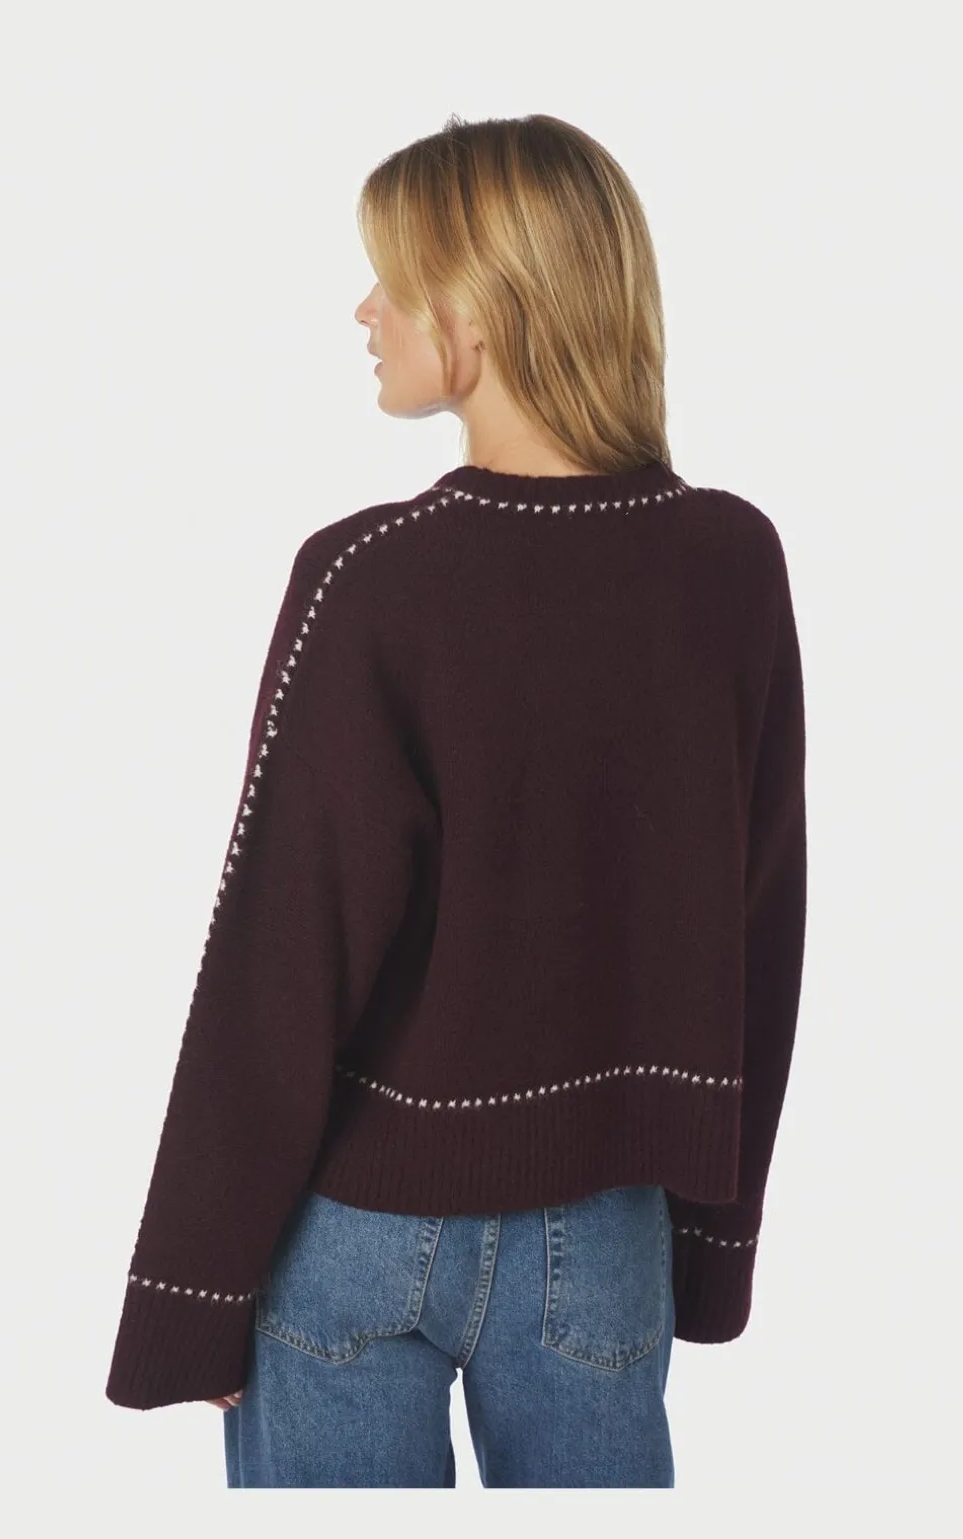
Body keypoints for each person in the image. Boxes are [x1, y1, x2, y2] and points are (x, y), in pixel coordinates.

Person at [105, 112, 808, 1489]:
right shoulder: (731, 564)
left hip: (357, 1229)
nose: (364, 310)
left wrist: (192, 1291)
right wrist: (717, 1243)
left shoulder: (370, 578)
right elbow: (758, 922)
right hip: (605, 1232)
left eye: (395, 277)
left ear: (478, 312)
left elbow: (282, 955)